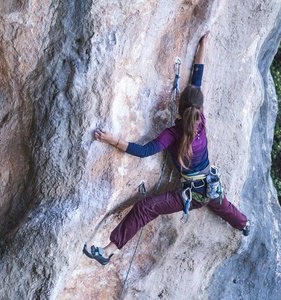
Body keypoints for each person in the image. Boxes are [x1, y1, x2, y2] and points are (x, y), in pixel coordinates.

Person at [83, 32, 250, 265]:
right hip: (209, 185)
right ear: (196, 108)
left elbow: (143, 151)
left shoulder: (172, 134)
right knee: (221, 204)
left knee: (145, 208)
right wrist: (204, 43)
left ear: (178, 109)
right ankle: (244, 224)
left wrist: (112, 139)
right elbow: (197, 77)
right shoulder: (200, 119)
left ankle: (108, 251)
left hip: (191, 194)